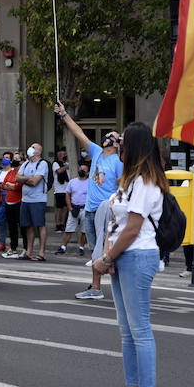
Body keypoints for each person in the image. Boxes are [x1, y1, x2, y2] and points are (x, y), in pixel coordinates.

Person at [95, 122, 168, 387]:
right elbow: (116, 222)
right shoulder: (128, 181)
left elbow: (134, 228)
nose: (118, 146)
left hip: (138, 255)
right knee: (127, 333)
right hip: (123, 255)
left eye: (123, 142)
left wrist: (107, 257)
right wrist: (108, 254)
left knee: (139, 331)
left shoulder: (146, 182)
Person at [56, 103, 123, 300]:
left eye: (111, 135)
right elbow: (79, 133)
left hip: (105, 211)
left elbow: (122, 186)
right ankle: (96, 287)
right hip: (90, 209)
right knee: (96, 251)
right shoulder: (96, 152)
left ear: (116, 143)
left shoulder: (118, 162)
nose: (106, 137)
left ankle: (117, 286)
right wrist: (64, 115)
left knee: (107, 251)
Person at [17, 142, 50, 261]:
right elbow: (17, 178)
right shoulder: (26, 163)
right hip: (25, 200)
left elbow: (34, 182)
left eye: (33, 147)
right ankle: (29, 251)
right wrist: (28, 179)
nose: (30, 149)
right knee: (28, 226)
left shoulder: (42, 164)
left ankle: (41, 252)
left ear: (38, 152)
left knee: (40, 225)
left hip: (38, 200)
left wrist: (24, 179)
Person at [57, 164, 90, 256]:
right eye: (80, 168)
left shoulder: (90, 183)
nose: (81, 170)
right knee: (69, 229)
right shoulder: (72, 182)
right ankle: (63, 247)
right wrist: (70, 207)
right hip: (74, 208)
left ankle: (81, 247)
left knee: (84, 230)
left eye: (84, 169)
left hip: (85, 209)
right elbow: (68, 194)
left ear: (87, 173)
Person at [0, 153, 23, 257]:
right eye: (14, 158)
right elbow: (3, 185)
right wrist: (12, 186)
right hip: (8, 202)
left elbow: (19, 186)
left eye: (17, 159)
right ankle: (13, 248)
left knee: (21, 226)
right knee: (11, 227)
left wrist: (11, 186)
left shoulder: (22, 173)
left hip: (18, 202)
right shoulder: (11, 172)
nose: (15, 160)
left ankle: (25, 248)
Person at [52, 148, 71, 233]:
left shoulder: (67, 163)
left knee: (65, 208)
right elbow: (59, 171)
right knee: (59, 208)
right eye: (60, 155)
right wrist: (66, 167)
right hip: (59, 189)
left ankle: (63, 224)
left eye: (64, 154)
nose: (62, 156)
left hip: (67, 189)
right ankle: (58, 224)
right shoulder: (56, 163)